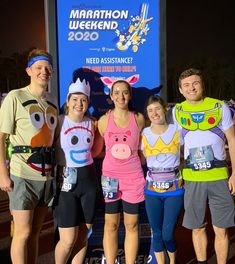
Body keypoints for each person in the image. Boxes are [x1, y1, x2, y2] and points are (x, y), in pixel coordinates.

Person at [0, 48, 58, 264]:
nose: (44, 72)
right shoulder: (16, 96)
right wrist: (2, 174)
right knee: (22, 232)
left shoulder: (51, 99)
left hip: (46, 177)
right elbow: (1, 137)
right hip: (21, 174)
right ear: (29, 71)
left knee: (36, 232)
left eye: (47, 68)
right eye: (39, 68)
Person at [172, 68, 235, 264]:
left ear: (202, 85)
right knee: (197, 227)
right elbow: (177, 145)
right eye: (187, 85)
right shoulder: (177, 111)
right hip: (192, 179)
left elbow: (232, 140)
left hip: (219, 177)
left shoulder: (219, 107)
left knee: (221, 228)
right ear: (181, 90)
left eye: (195, 83)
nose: (191, 88)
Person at [54, 77, 103, 264]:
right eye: (74, 99)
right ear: (68, 101)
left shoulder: (92, 124)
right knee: (67, 240)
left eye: (83, 100)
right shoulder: (59, 122)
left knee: (83, 237)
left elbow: (96, 151)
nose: (79, 104)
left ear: (88, 102)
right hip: (66, 185)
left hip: (89, 181)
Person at [98, 74, 145, 264]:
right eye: (116, 92)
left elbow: (146, 146)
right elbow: (99, 150)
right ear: (111, 95)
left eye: (125, 92)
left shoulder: (139, 119)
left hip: (133, 178)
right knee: (111, 224)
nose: (121, 96)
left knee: (132, 225)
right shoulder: (103, 121)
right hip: (110, 178)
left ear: (130, 95)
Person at [141, 95, 184, 264]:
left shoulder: (177, 130)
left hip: (174, 190)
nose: (154, 113)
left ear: (165, 108)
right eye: (150, 110)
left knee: (167, 234)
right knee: (156, 233)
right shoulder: (143, 133)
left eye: (157, 108)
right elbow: (139, 158)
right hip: (151, 191)